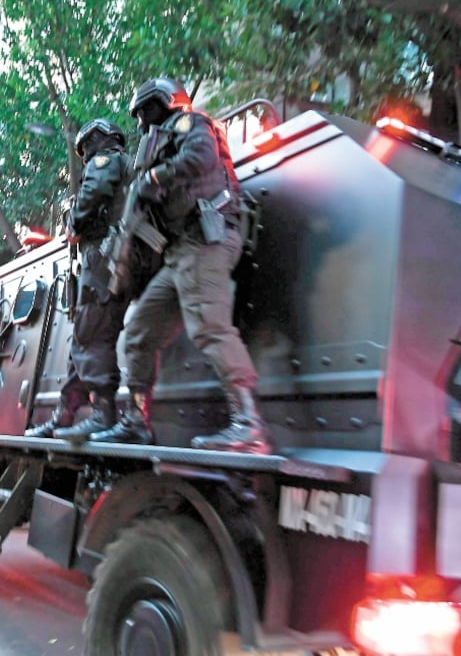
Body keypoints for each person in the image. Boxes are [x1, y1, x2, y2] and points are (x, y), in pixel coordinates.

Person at [88, 77, 275, 453]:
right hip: (179, 253)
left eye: (146, 111)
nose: (142, 122)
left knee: (208, 325)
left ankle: (248, 423)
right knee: (139, 331)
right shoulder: (157, 141)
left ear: (165, 101)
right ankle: (135, 421)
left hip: (207, 239)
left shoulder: (191, 124)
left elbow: (199, 159)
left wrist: (154, 178)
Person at [24, 118, 132, 442]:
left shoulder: (106, 160)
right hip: (108, 257)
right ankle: (65, 412)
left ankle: (102, 413)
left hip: (103, 256)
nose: (85, 155)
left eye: (85, 148)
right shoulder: (126, 165)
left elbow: (94, 191)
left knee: (92, 333)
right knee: (83, 336)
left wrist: (74, 222)